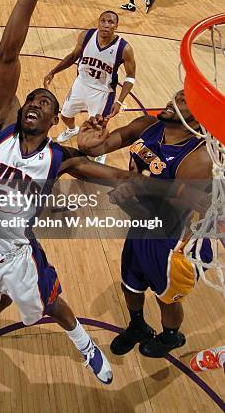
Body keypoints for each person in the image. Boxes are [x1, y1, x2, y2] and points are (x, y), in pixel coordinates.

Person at [0, 0, 134, 385]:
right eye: (31, 100)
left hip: (17, 256)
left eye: (46, 103)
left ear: (55, 120)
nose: (35, 103)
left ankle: (85, 346)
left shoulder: (60, 157)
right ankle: (0, 298)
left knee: (54, 303)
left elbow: (111, 177)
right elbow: (7, 54)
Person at [78, 91, 213, 357]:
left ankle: (171, 336)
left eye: (185, 99)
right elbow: (102, 146)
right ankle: (138, 325)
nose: (174, 99)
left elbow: (167, 216)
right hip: (141, 224)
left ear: (199, 118)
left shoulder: (198, 159)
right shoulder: (147, 126)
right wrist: (87, 144)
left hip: (173, 242)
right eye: (176, 95)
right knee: (130, 283)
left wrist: (130, 201)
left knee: (166, 298)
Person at [43, 11, 136, 152]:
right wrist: (53, 71)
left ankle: (100, 150)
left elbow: (130, 76)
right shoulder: (86, 36)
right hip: (80, 84)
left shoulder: (124, 48)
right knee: (65, 116)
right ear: (98, 22)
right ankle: (72, 130)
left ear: (116, 26)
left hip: (102, 92)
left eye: (110, 22)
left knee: (98, 128)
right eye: (103, 21)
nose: (106, 25)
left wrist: (119, 101)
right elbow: (73, 56)